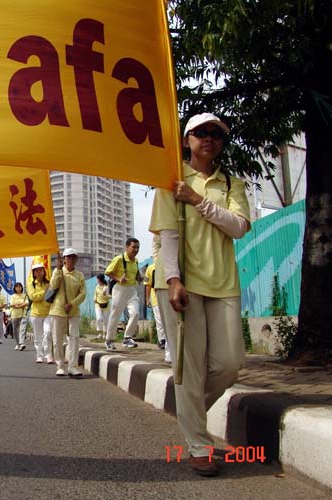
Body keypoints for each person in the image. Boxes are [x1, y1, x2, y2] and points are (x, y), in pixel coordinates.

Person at [149, 112, 250, 477]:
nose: (209, 138)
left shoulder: (231, 183)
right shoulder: (170, 179)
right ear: (187, 139)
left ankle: (189, 412)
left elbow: (238, 227)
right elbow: (168, 235)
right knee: (190, 368)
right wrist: (173, 279)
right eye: (200, 133)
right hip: (182, 283)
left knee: (229, 363)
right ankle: (198, 446)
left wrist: (196, 200)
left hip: (222, 282)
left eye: (216, 134)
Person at [49, 248, 86, 377]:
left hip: (73, 311)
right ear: (64, 259)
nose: (71, 259)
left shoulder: (79, 275)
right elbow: (53, 286)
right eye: (68, 257)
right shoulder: (58, 272)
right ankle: (60, 365)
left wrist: (72, 304)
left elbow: (83, 293)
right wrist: (58, 270)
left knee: (74, 338)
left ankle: (72, 366)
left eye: (73, 257)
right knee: (57, 339)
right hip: (58, 310)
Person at [104, 238, 141, 349]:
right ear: (127, 247)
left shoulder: (136, 261)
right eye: (133, 247)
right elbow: (108, 272)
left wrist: (139, 277)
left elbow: (136, 273)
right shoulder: (119, 259)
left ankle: (127, 338)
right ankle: (109, 340)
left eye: (138, 248)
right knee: (115, 314)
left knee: (135, 313)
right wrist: (119, 279)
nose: (136, 250)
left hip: (132, 290)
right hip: (120, 289)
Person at [144, 247, 171, 363]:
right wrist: (147, 299)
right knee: (160, 321)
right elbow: (147, 285)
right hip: (156, 298)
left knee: (169, 322)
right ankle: (162, 340)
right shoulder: (150, 268)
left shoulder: (170, 265)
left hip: (170, 296)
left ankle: (167, 344)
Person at [26, 261, 53, 364]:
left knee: (48, 333)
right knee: (38, 336)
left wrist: (46, 291)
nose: (39, 272)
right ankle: (39, 355)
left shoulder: (48, 283)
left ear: (44, 271)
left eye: (40, 270)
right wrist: (44, 292)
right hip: (36, 313)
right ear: (33, 273)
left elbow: (52, 295)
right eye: (36, 271)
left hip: (48, 312)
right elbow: (33, 297)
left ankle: (48, 355)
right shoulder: (31, 284)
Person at [9, 282, 28, 351]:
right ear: (15, 288)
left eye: (19, 287)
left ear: (21, 288)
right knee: (15, 330)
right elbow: (11, 304)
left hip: (23, 314)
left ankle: (22, 343)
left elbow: (26, 303)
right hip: (15, 314)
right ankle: (17, 344)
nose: (18, 288)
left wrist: (18, 305)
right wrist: (21, 304)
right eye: (17, 287)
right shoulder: (12, 296)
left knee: (22, 329)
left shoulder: (24, 295)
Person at [94, 274, 110, 338]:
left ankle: (105, 334)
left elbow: (108, 296)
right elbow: (95, 294)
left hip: (106, 305)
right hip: (98, 305)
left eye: (97, 279)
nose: (97, 280)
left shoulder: (106, 287)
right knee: (99, 318)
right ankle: (99, 333)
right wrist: (94, 299)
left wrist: (105, 294)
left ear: (100, 279)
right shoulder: (97, 286)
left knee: (106, 320)